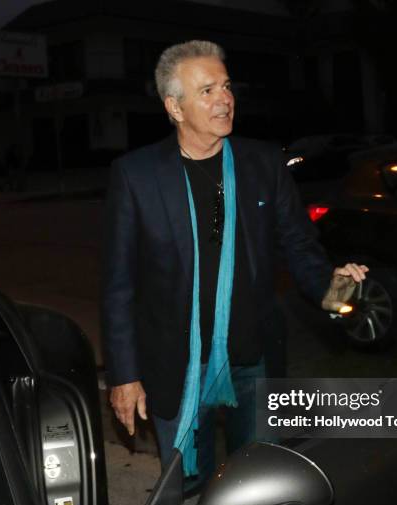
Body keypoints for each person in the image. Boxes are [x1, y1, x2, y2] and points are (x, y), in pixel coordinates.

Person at [101, 40, 367, 479]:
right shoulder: (137, 175)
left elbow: (300, 247)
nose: (225, 99)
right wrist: (124, 375)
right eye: (207, 90)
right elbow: (118, 285)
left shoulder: (263, 164)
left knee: (260, 482)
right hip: (176, 363)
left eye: (226, 87)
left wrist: (334, 287)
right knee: (187, 494)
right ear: (175, 107)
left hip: (254, 357)